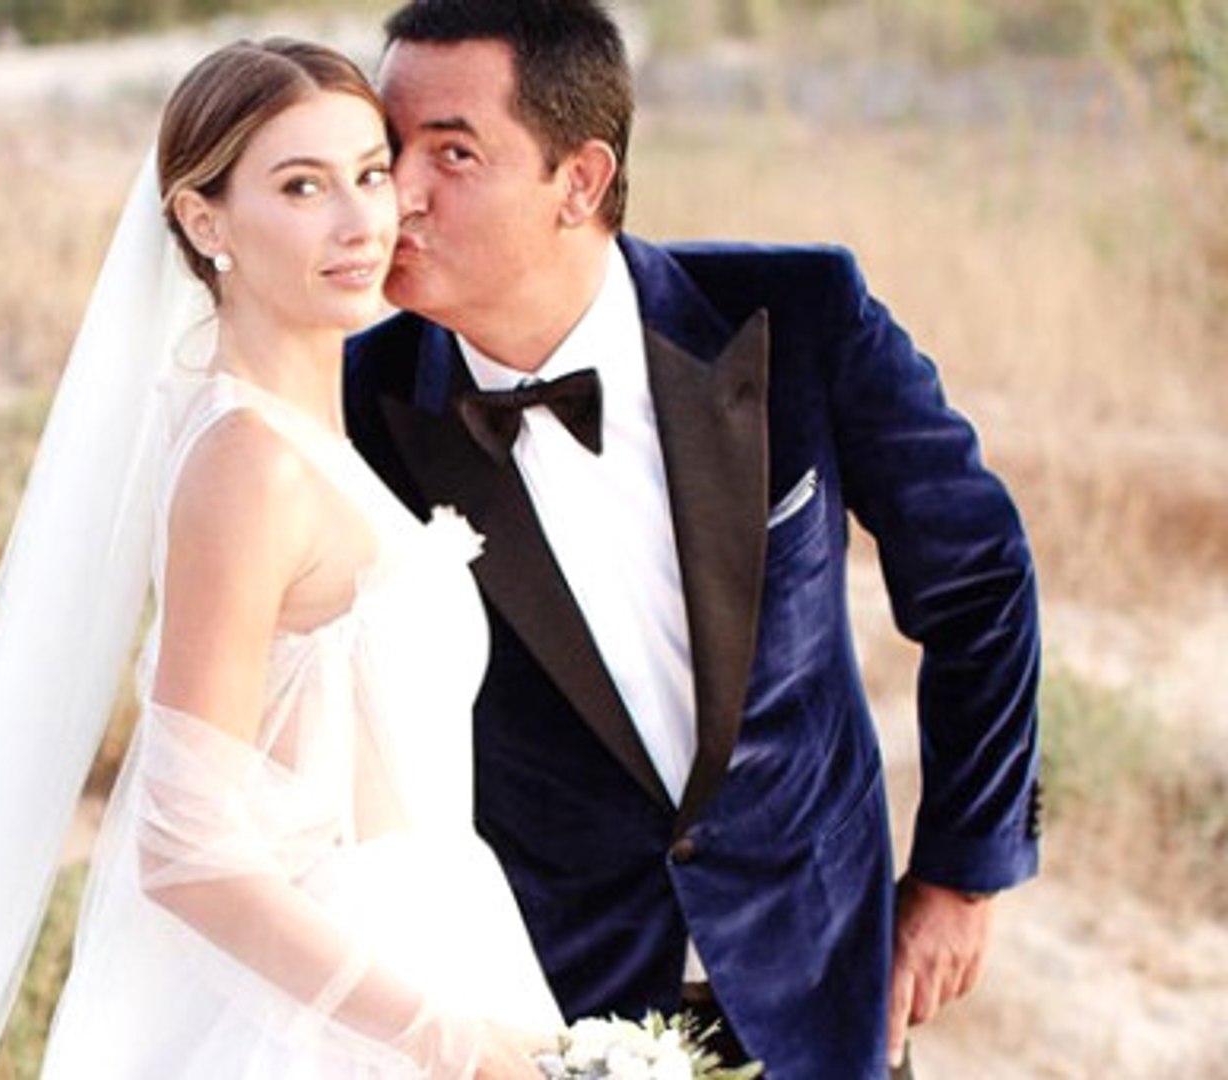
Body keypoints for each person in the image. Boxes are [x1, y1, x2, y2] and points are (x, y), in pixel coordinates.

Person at [0, 39, 560, 1079]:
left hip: (434, 955)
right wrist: (442, 1038)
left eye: (367, 173)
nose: (360, 221)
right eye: (301, 186)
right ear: (204, 221)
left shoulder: (314, 442)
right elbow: (183, 849)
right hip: (338, 1016)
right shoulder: (249, 465)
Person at [342, 2, 1042, 1077]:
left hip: (825, 982)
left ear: (579, 180)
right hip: (537, 1008)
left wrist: (963, 872)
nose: (400, 194)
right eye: (388, 149)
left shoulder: (800, 316)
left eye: (453, 153)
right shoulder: (354, 405)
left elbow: (980, 584)